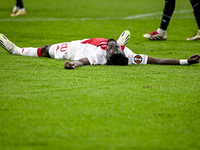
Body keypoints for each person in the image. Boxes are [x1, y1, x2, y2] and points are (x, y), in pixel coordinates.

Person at [0, 31, 199, 69]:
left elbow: (83, 62)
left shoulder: (98, 55)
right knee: (120, 39)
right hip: (94, 42)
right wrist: (185, 61)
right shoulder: (128, 55)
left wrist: (73, 64)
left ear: (108, 55)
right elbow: (158, 60)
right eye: (115, 47)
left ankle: (15, 50)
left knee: (44, 50)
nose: (111, 46)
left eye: (112, 48)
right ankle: (122, 37)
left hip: (77, 49)